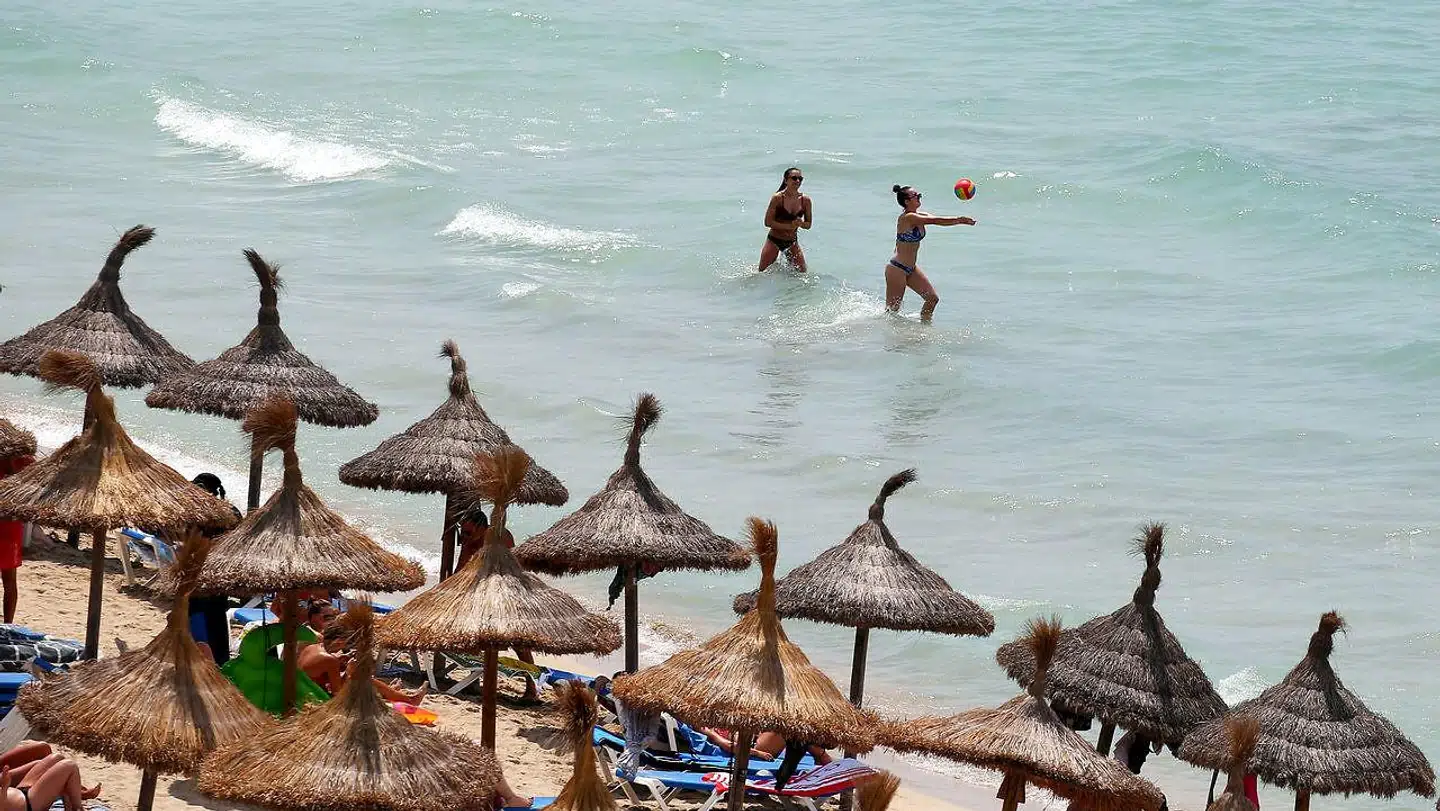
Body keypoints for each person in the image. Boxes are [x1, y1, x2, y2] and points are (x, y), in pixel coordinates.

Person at [455, 509, 539, 702]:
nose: (464, 537)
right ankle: (473, 681)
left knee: (519, 643)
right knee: (475, 637)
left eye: (467, 532)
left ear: (482, 528)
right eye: (462, 532)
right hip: (482, 595)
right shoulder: (469, 544)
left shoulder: (501, 537)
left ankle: (532, 688)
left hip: (508, 592)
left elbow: (514, 567)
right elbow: (460, 569)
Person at [885, 184, 975, 322]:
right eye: (916, 196)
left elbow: (938, 219)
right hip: (897, 269)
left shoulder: (920, 215)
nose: (919, 197)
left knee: (932, 299)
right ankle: (884, 333)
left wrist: (958, 221)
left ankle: (924, 328)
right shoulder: (908, 218)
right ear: (907, 201)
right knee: (892, 312)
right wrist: (959, 220)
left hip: (911, 269)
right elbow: (935, 221)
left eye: (919, 195)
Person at [188, 472, 243, 666]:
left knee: (197, 615)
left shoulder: (199, 514)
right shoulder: (232, 512)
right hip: (221, 575)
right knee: (217, 620)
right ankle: (219, 662)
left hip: (200, 574)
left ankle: (201, 660)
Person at [299, 623, 427, 705]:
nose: (344, 647)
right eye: (345, 643)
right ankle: (409, 699)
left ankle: (392, 693)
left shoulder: (312, 647)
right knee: (361, 678)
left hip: (305, 691)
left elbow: (320, 671)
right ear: (338, 641)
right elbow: (338, 693)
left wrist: (339, 661)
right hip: (316, 698)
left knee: (360, 677)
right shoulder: (329, 660)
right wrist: (348, 672)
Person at [1, 748, 102, 811]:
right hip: (28, 804)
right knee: (69, 766)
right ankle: (78, 808)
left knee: (57, 758)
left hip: (20, 792)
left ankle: (71, 804)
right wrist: (5, 788)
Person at [0, 455, 35, 623]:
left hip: (9, 526)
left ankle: (8, 624)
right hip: (10, 526)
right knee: (9, 580)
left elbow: (32, 487)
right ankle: (8, 624)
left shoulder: (24, 459)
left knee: (9, 579)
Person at [758, 168, 811, 272]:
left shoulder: (805, 200)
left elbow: (808, 225)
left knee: (802, 274)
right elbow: (768, 222)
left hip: (792, 242)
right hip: (774, 240)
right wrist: (789, 226)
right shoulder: (777, 198)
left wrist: (801, 224)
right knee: (762, 273)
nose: (797, 181)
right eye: (794, 178)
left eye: (800, 178)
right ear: (786, 180)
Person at [697, 728, 832, 765]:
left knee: (793, 728)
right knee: (788, 730)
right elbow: (728, 745)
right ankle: (822, 756)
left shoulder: (716, 717)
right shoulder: (705, 728)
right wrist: (757, 753)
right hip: (753, 748)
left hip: (754, 739)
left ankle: (821, 754)